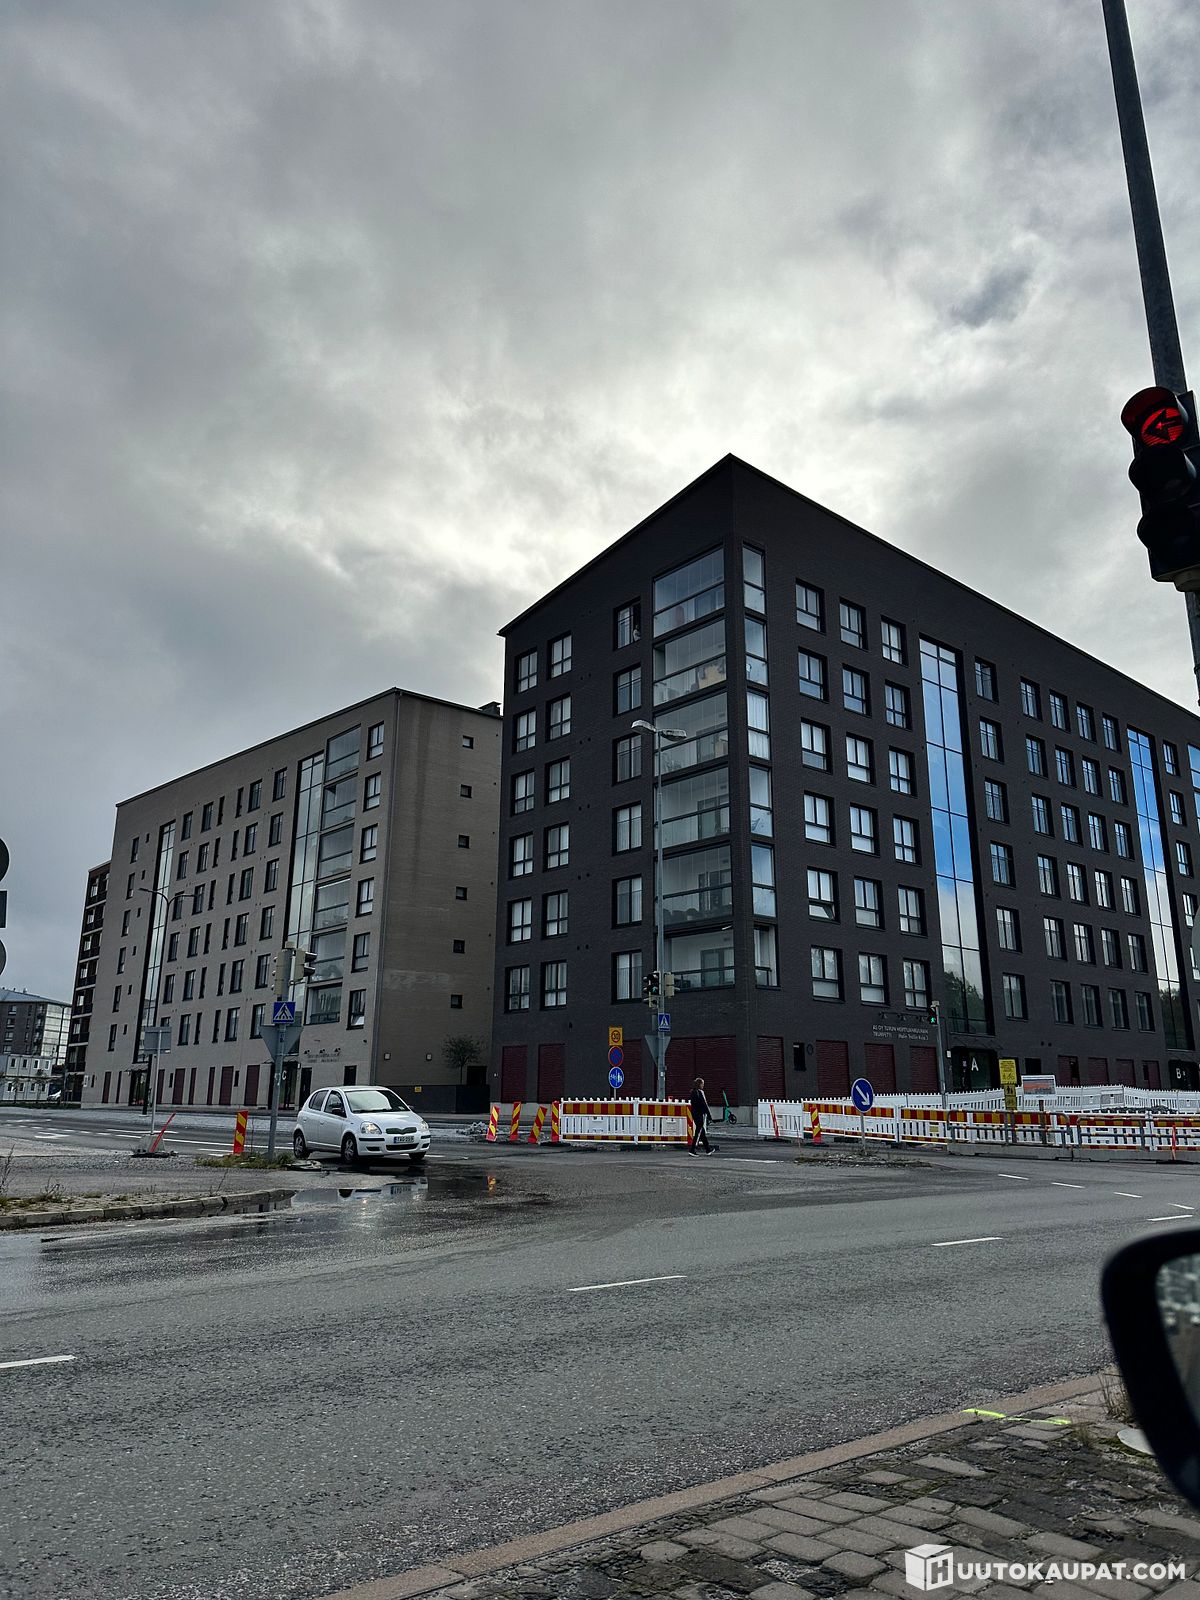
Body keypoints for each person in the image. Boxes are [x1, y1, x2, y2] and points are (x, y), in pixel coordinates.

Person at [688, 1076, 717, 1155]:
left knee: (702, 1132)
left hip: (694, 1113)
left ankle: (708, 1149)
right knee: (699, 1132)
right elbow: (704, 1104)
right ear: (700, 1084)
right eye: (702, 1084)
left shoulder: (693, 1092)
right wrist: (709, 1115)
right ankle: (693, 1149)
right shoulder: (700, 1092)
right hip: (700, 1114)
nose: (703, 1085)